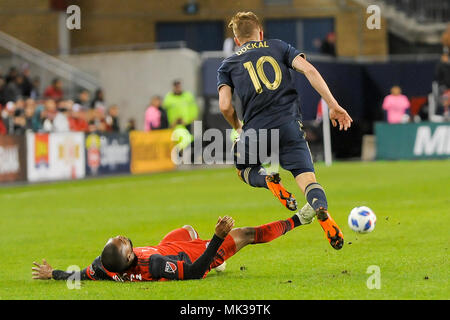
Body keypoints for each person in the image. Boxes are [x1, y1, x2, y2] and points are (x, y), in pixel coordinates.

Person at [217, 12, 352, 250]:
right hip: (290, 126)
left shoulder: (228, 64)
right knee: (307, 179)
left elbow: (225, 105)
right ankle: (322, 212)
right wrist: (332, 104)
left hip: (256, 131)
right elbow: (309, 70)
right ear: (260, 33)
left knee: (244, 169)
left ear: (237, 40)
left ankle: (268, 179)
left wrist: (237, 127)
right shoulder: (279, 46)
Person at [31, 207, 315, 282]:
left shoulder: (105, 267)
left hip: (164, 245)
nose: (120, 236)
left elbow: (79, 275)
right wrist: (216, 238)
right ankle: (300, 219)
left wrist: (53, 274)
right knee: (244, 234)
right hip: (189, 256)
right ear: (130, 256)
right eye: (121, 242)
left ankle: (203, 240)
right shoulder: (153, 266)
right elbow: (194, 273)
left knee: (188, 228)